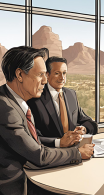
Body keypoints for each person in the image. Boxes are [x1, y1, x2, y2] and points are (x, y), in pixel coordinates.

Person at [0, 46, 94, 195]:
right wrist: (77, 153)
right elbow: (38, 155)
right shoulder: (6, 109)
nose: (45, 81)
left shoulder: (14, 101)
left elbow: (33, 141)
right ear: (19, 74)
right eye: (40, 75)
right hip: (19, 187)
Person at [27, 56, 97, 148]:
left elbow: (89, 122)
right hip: (51, 153)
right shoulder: (36, 98)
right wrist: (59, 142)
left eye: (64, 73)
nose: (62, 78)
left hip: (75, 150)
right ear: (47, 75)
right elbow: (33, 136)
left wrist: (84, 129)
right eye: (57, 73)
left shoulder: (71, 94)